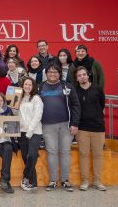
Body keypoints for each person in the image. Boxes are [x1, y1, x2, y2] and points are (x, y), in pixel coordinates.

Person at [39, 64, 81, 192]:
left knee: (65, 152)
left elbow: (76, 105)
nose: (52, 74)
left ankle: (65, 180)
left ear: (59, 73)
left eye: (55, 71)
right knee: (51, 152)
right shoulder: (40, 87)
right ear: (46, 73)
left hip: (65, 125)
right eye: (50, 71)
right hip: (47, 125)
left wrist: (74, 123)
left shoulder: (67, 86)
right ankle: (52, 181)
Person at [75, 66, 107, 191]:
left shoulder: (98, 89)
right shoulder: (76, 91)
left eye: (84, 74)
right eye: (79, 75)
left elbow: (102, 104)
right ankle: (85, 181)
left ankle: (97, 181)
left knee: (98, 155)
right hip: (82, 128)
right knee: (83, 154)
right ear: (77, 79)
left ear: (88, 75)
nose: (82, 77)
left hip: (98, 127)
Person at [18, 77, 43, 190]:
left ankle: (25, 178)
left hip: (34, 132)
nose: (27, 86)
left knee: (32, 155)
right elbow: (16, 113)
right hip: (21, 132)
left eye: (29, 85)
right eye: (25, 84)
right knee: (25, 157)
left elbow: (37, 116)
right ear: (22, 85)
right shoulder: (20, 98)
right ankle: (34, 182)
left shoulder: (36, 98)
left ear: (33, 87)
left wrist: (30, 131)